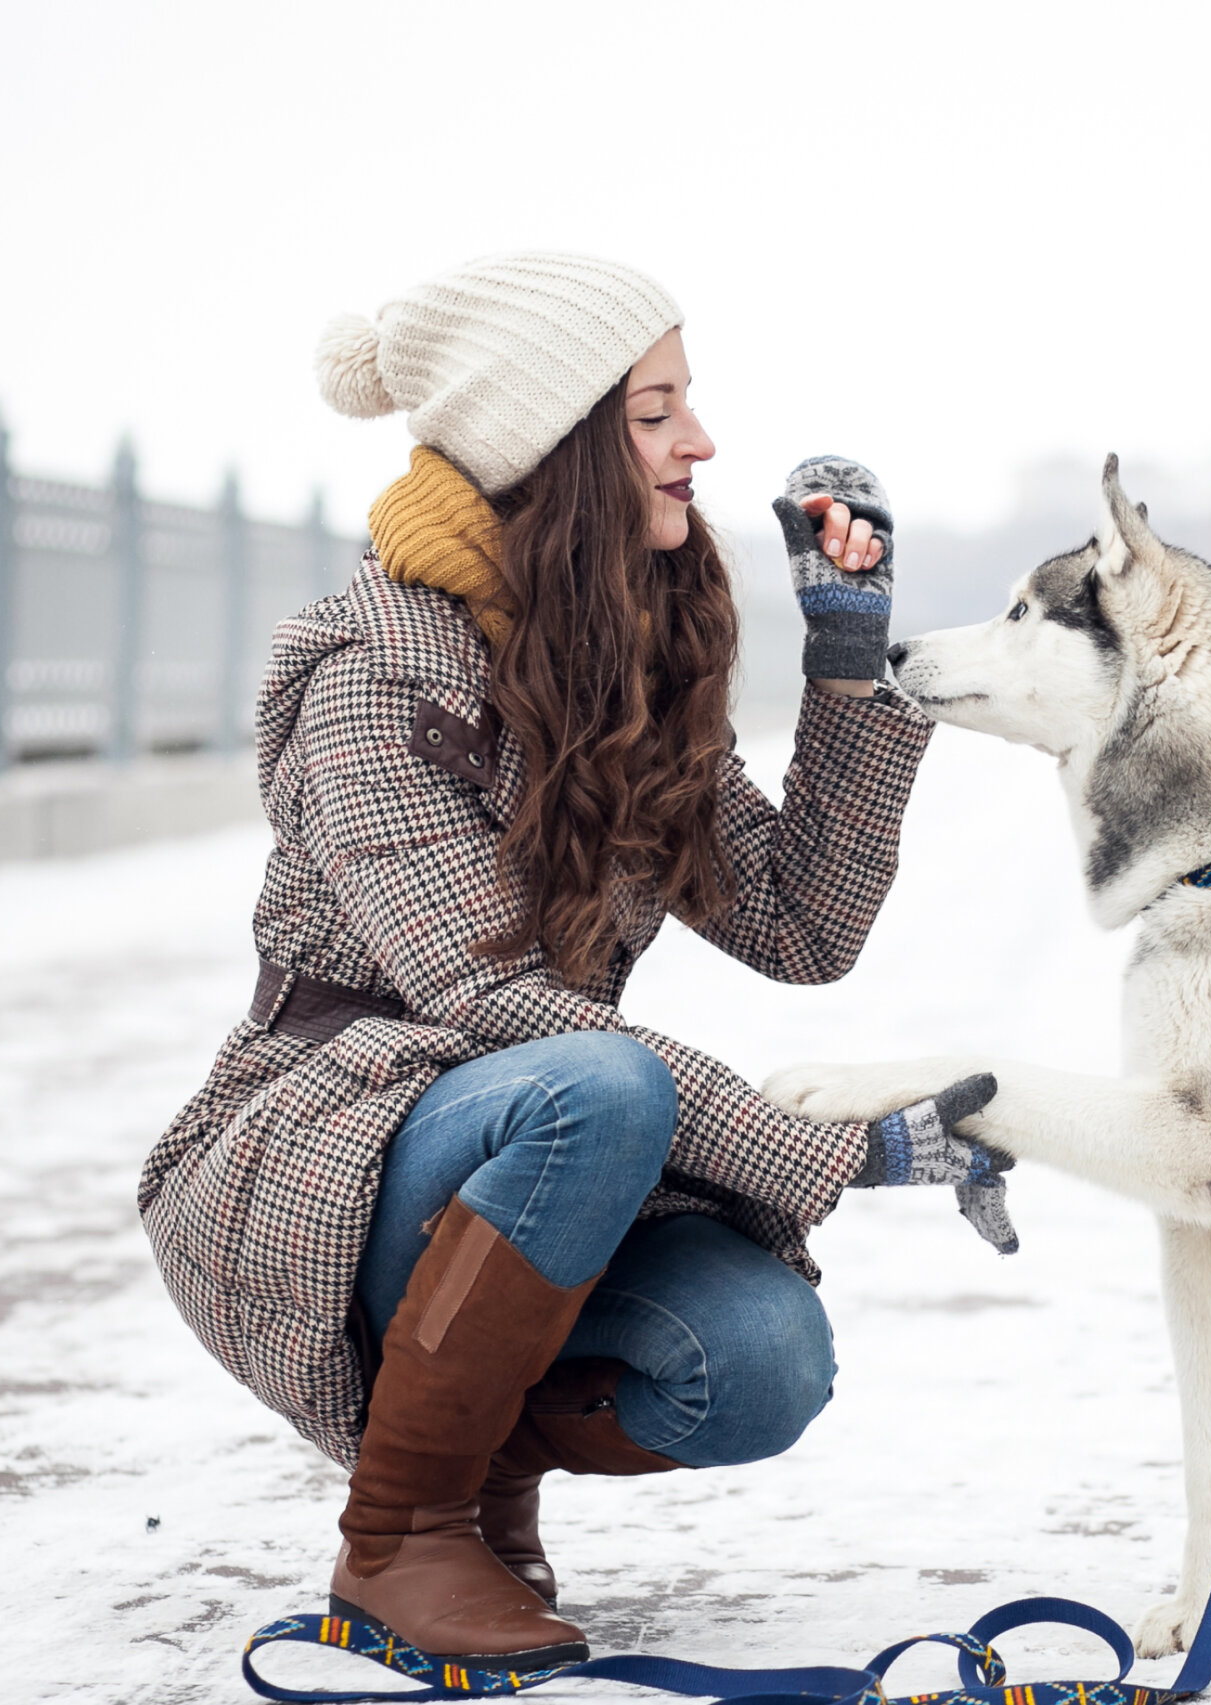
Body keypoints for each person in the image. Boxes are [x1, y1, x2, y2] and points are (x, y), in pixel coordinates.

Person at [138, 253, 1013, 1670]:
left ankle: (485, 1475)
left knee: (764, 1359)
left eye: (692, 403)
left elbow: (802, 923)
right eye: (657, 410)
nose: (704, 443)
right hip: (325, 1145)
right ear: (559, 444)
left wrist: (848, 663)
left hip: (540, 1132)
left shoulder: (622, 658)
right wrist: (833, 1151)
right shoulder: (369, 672)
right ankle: (401, 1536)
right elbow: (486, 1005)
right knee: (595, 1084)